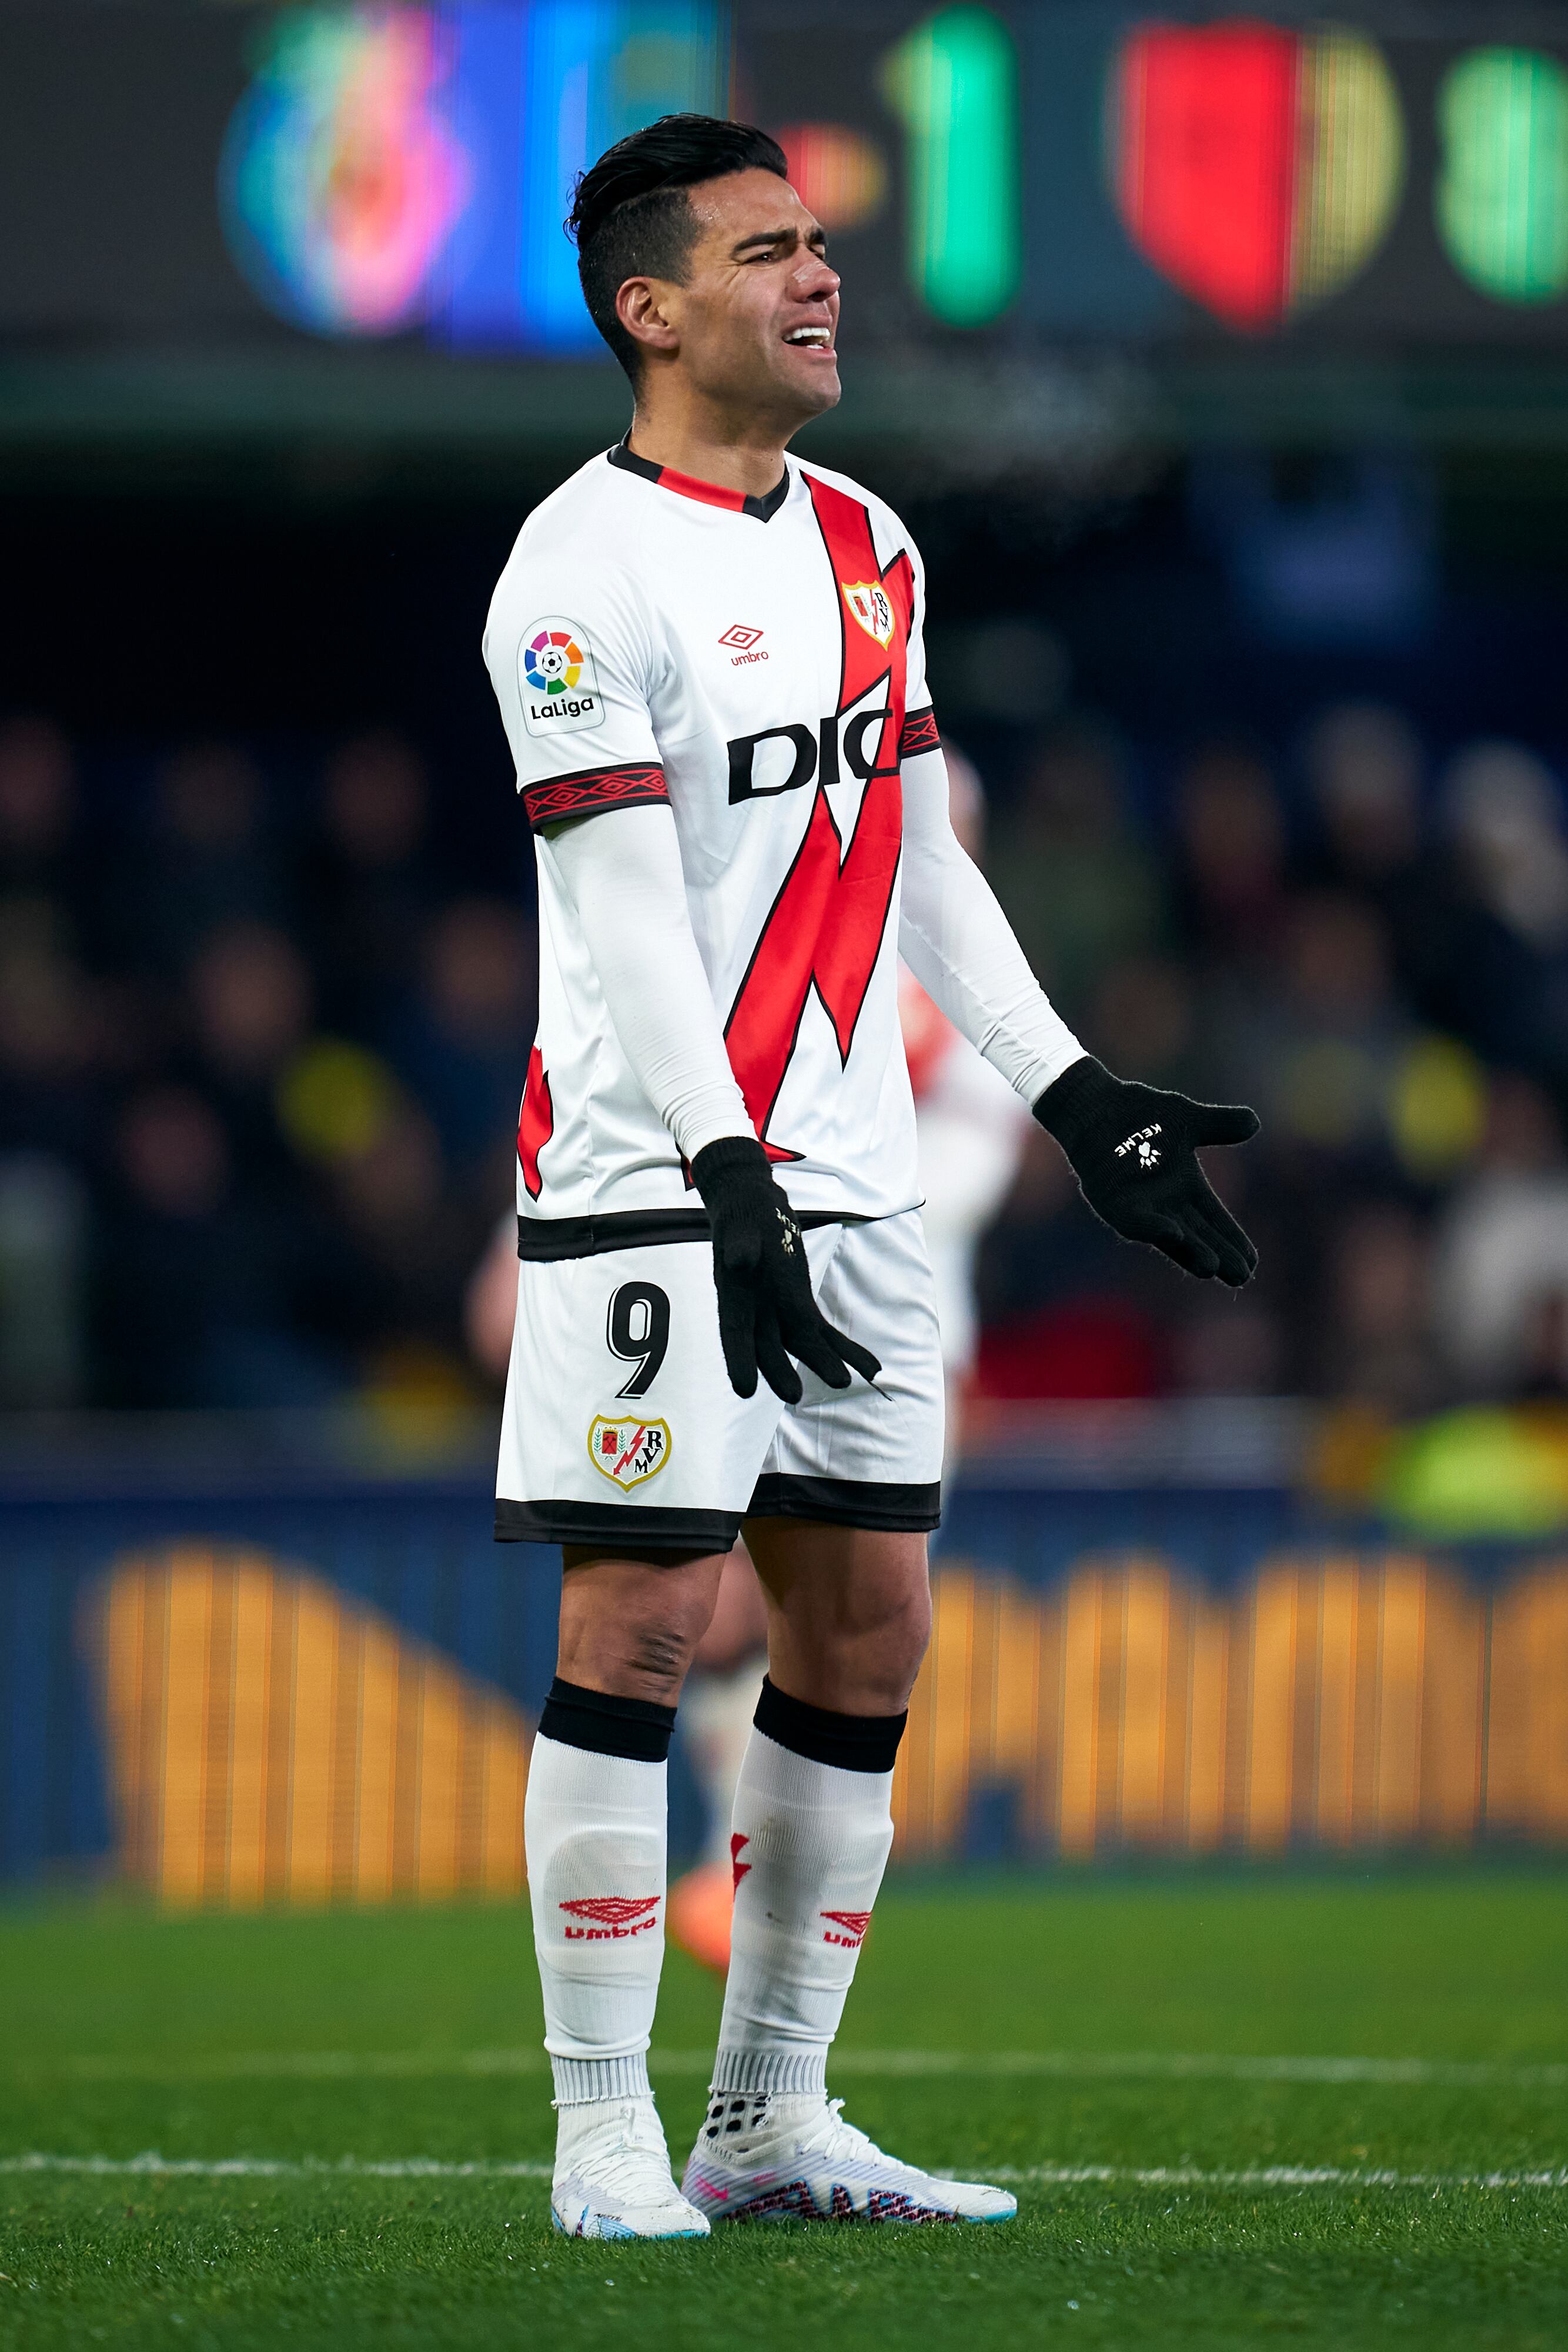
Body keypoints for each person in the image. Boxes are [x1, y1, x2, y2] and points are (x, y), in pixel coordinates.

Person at [482, 114, 1259, 2242]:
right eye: (766, 252)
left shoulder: (871, 547)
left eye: (822, 246)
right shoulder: (577, 570)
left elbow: (918, 861)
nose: (821, 282)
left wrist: (1075, 1092)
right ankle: (599, 2133)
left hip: (854, 1179)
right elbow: (629, 913)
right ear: (650, 307)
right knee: (641, 1623)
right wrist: (723, 1166)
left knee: (870, 1627)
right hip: (660, 1179)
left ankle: (770, 2118)